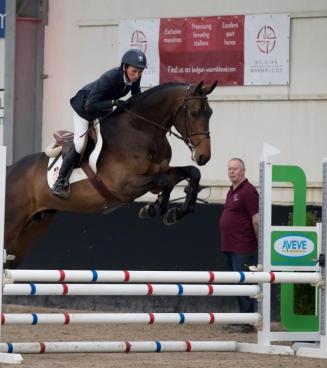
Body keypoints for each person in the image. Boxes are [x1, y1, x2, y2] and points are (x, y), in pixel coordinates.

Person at [51, 48, 147, 199]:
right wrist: (115, 102)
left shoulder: (134, 77)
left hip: (102, 108)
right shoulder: (110, 77)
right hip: (84, 108)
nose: (136, 76)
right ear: (125, 67)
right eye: (134, 71)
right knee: (80, 144)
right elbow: (91, 104)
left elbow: (136, 96)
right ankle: (61, 181)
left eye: (140, 72)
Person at [219, 158, 259, 333]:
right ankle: (243, 319)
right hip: (230, 245)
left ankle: (247, 322)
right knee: (237, 284)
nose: (231, 171)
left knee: (244, 284)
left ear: (243, 171)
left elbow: (256, 219)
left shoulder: (248, 191)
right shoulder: (232, 191)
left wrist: (258, 242)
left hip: (243, 246)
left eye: (235, 169)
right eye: (229, 169)